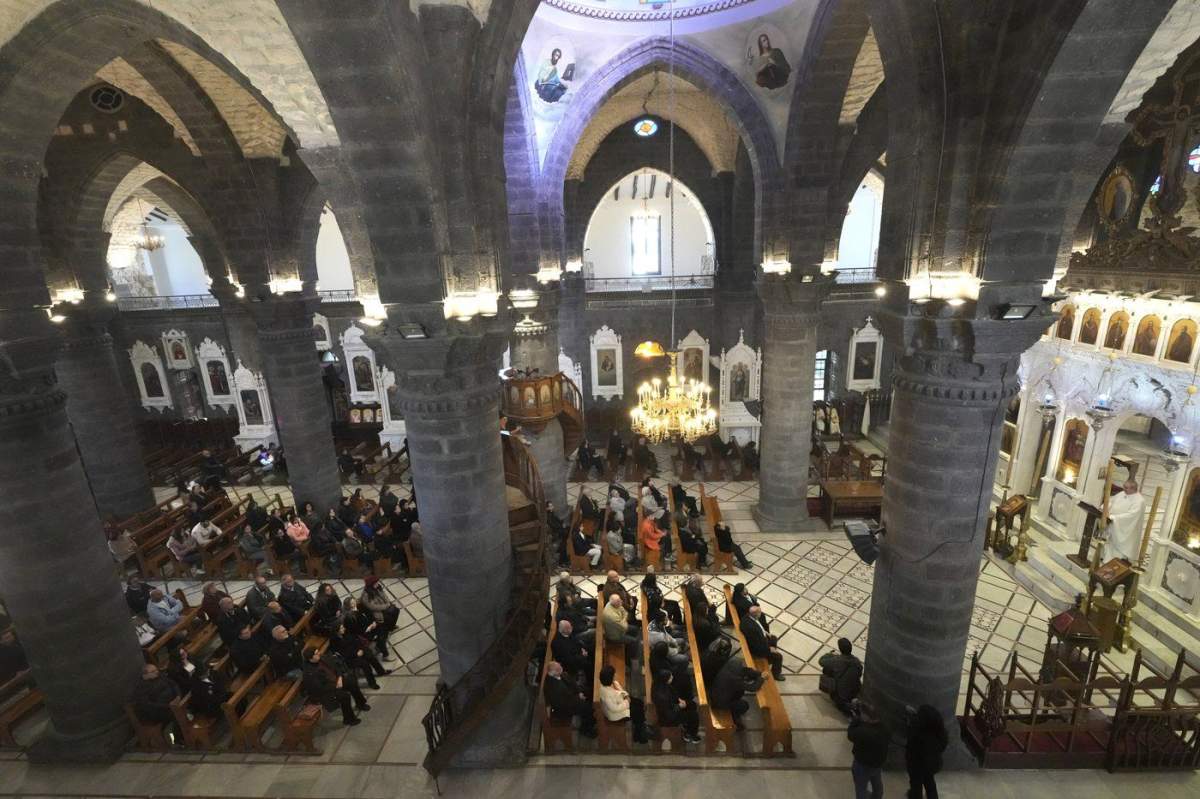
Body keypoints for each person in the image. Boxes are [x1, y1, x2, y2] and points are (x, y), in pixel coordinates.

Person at [301, 645, 367, 726]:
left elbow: (336, 667)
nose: (319, 654)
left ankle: (360, 704)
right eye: (316, 653)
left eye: (318, 652)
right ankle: (349, 719)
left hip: (336, 681)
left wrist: (339, 678)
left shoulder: (322, 658)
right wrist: (336, 685)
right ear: (310, 658)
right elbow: (319, 688)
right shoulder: (309, 672)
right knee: (345, 696)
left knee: (352, 682)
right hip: (326, 691)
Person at [848, 701, 890, 799]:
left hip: (862, 764)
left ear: (867, 716)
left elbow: (850, 735)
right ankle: (877, 796)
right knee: (877, 784)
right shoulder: (885, 727)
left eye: (862, 714)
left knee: (861, 788)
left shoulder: (864, 731)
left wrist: (855, 720)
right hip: (877, 764)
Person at [331, 621, 391, 690]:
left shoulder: (346, 633)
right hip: (350, 658)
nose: (344, 628)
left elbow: (356, 641)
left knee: (369, 655)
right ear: (337, 631)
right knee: (364, 664)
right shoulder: (334, 641)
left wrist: (360, 649)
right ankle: (372, 683)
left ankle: (381, 672)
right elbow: (343, 654)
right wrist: (356, 654)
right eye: (341, 628)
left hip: (358, 650)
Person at [543, 661, 596, 737]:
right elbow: (565, 702)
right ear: (554, 673)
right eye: (559, 668)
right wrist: (579, 697)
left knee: (589, 691)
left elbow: (572, 682)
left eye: (559, 665)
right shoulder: (554, 688)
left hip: (571, 696)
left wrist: (579, 692)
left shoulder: (559, 674)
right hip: (565, 707)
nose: (561, 668)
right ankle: (585, 729)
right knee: (586, 707)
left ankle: (590, 717)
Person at [906, 705, 948, 798]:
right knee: (930, 783)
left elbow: (911, 744)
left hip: (917, 765)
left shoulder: (919, 735)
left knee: (916, 785)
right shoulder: (941, 733)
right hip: (933, 764)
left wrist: (911, 723)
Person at [651, 668, 702, 744]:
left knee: (692, 705)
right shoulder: (661, 696)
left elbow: (673, 693)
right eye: (670, 677)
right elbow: (669, 714)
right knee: (694, 716)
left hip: (672, 708)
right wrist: (680, 706)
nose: (672, 677)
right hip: (668, 719)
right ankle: (691, 735)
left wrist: (679, 700)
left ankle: (688, 728)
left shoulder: (661, 685)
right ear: (665, 679)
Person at [710, 653, 757, 729]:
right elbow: (752, 688)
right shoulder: (734, 679)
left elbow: (744, 671)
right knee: (744, 705)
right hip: (719, 703)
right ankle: (735, 718)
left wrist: (757, 674)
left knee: (740, 691)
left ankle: (734, 711)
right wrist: (762, 678)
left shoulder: (726, 669)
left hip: (716, 695)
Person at [819, 638, 863, 714]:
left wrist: (830, 654)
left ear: (840, 649)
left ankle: (847, 706)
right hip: (856, 690)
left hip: (841, 695)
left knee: (826, 670)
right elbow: (859, 674)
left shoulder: (837, 660)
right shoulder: (857, 661)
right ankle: (854, 702)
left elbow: (821, 661)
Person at [1106, 479, 1147, 562]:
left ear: (1133, 488)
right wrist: (1105, 508)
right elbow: (1111, 501)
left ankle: (1118, 562)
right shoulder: (1122, 493)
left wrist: (1114, 518)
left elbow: (1131, 515)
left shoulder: (1139, 501)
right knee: (1110, 544)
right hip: (1113, 524)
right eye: (1124, 487)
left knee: (1119, 550)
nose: (1123, 489)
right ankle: (1106, 560)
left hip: (1126, 529)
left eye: (1126, 488)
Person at [741, 605, 785, 680]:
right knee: (778, 657)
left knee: (773, 638)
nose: (761, 613)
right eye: (760, 612)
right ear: (756, 614)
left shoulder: (747, 617)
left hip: (760, 640)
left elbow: (758, 627)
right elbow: (757, 645)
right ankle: (776, 674)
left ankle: (770, 656)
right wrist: (769, 649)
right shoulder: (753, 629)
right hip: (757, 650)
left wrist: (765, 632)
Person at [360, 577, 400, 660]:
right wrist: (385, 607)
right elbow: (372, 606)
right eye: (376, 583)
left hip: (384, 607)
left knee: (396, 610)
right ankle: (385, 654)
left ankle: (391, 627)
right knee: (382, 633)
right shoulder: (366, 595)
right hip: (376, 613)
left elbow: (384, 596)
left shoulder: (378, 588)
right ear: (371, 584)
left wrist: (388, 603)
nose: (378, 584)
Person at [132, 663, 179, 729]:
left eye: (156, 670)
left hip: (172, 703)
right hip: (159, 711)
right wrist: (168, 705)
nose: (157, 672)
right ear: (145, 675)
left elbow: (173, 684)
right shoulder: (141, 688)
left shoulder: (160, 677)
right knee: (176, 715)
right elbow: (148, 705)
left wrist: (178, 696)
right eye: (153, 671)